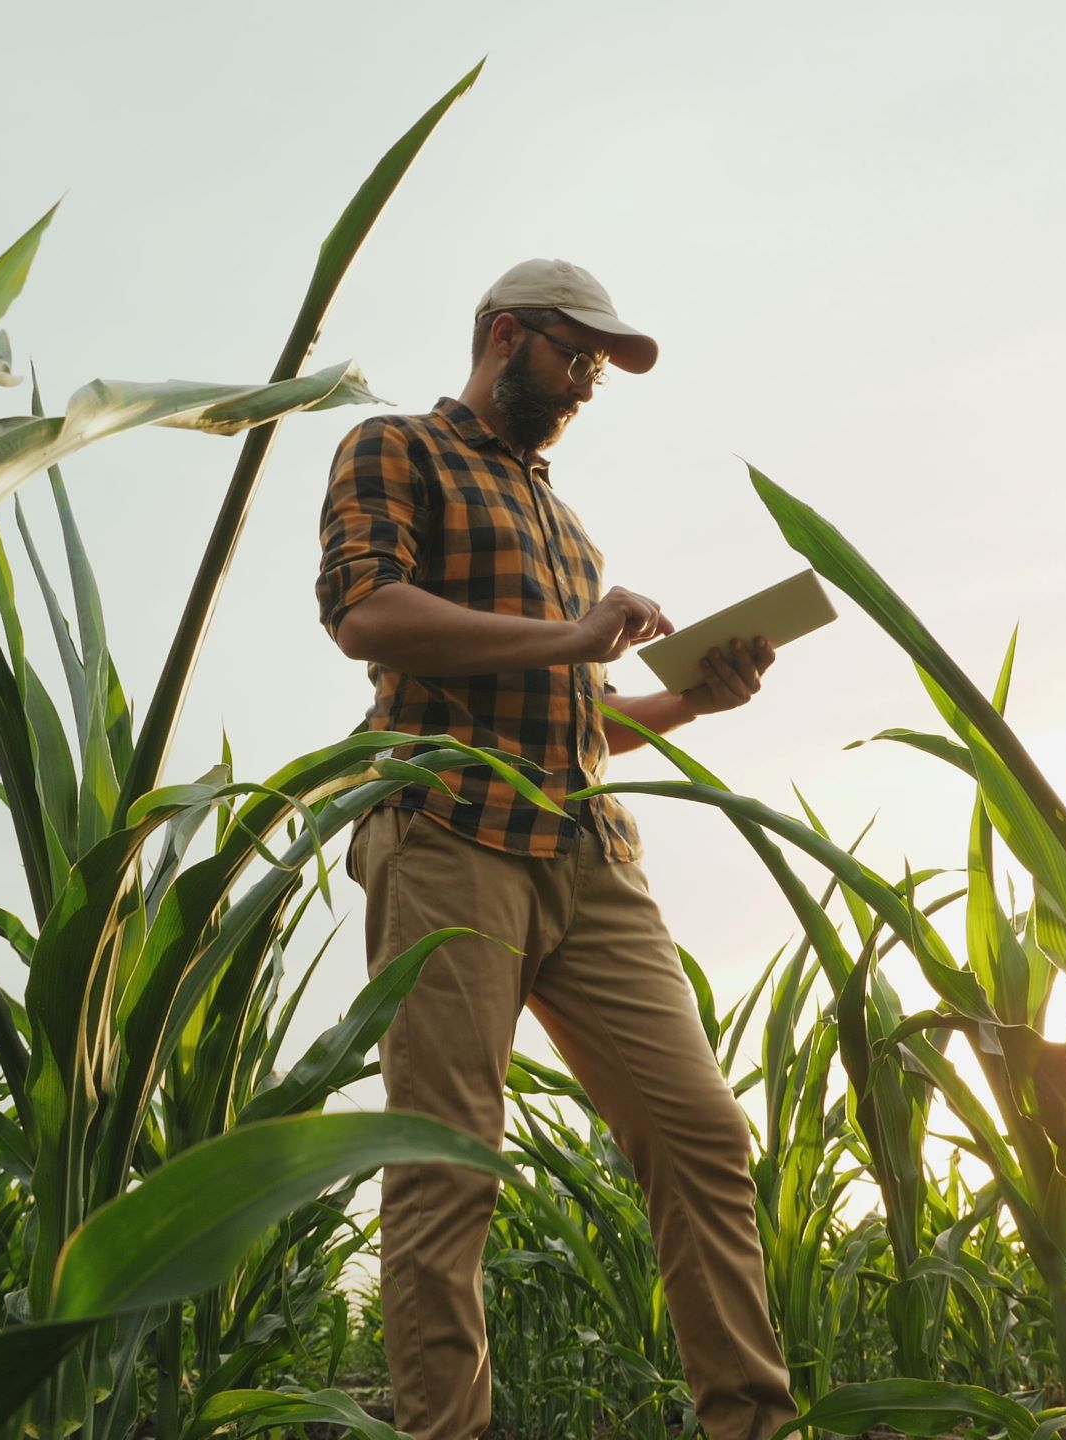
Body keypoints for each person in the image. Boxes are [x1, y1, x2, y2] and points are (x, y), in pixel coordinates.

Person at [315, 258, 797, 1440]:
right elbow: (363, 612)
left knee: (700, 1132)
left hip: (589, 851)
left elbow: (578, 711)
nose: (586, 382)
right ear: (503, 335)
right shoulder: (395, 450)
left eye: (599, 365)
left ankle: (752, 1423)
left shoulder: (565, 526)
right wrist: (571, 633)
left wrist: (691, 702)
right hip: (447, 835)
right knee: (447, 1159)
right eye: (573, 354)